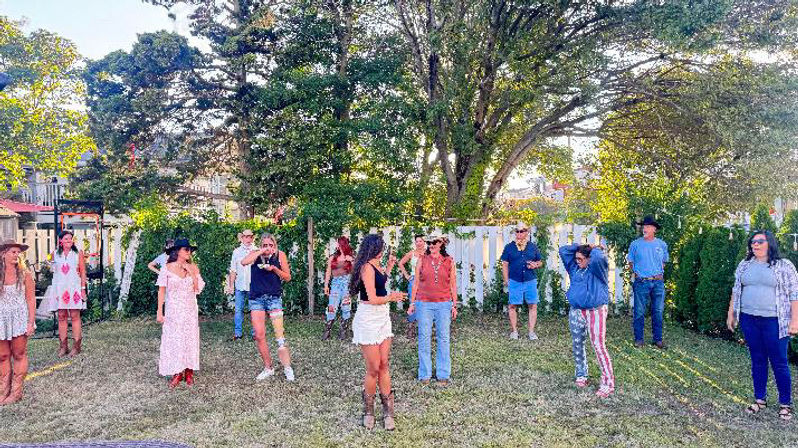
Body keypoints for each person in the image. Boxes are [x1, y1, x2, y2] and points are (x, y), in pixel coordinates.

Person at [727, 230, 798, 420]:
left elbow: (794, 295)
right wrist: (731, 313)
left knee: (779, 362)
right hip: (749, 319)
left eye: (760, 241)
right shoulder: (745, 264)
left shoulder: (784, 266)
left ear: (770, 244)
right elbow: (736, 289)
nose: (755, 245)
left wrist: (795, 320)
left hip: (775, 321)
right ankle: (760, 399)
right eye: (753, 242)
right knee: (757, 359)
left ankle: (785, 404)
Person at [349, 234, 405, 430]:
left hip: (382, 317)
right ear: (374, 248)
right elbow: (372, 297)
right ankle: (369, 410)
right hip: (368, 318)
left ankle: (388, 412)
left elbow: (380, 284)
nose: (383, 250)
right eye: (381, 247)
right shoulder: (366, 267)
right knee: (373, 367)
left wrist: (388, 268)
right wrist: (393, 296)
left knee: (384, 364)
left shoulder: (377, 264)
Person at [559, 242, 615, 398]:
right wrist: (582, 245)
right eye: (576, 258)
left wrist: (595, 249)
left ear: (589, 259)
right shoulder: (574, 269)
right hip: (576, 311)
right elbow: (563, 250)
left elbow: (598, 257)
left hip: (595, 311)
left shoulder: (597, 270)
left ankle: (608, 383)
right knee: (577, 344)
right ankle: (581, 375)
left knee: (598, 345)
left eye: (581, 259)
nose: (578, 261)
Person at [241, 234, 295, 382]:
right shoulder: (254, 254)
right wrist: (260, 252)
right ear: (261, 245)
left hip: (273, 298)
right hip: (256, 299)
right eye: (265, 245)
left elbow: (287, 277)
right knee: (259, 335)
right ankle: (268, 367)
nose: (268, 248)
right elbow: (244, 262)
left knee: (280, 337)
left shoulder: (280, 255)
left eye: (270, 245)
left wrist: (274, 269)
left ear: (275, 246)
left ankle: (287, 368)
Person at [407, 231, 458, 386]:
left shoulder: (449, 261)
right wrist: (412, 303)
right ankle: (425, 374)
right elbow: (415, 283)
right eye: (428, 243)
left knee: (443, 338)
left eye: (433, 243)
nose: (430, 246)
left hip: (444, 304)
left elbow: (453, 284)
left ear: (441, 243)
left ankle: (443, 374)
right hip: (424, 304)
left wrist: (454, 304)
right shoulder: (421, 260)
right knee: (424, 338)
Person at [156, 239, 205, 388]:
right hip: (174, 310)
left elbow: (198, 290)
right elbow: (162, 290)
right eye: (186, 249)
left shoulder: (193, 267)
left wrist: (190, 271)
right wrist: (159, 311)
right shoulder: (167, 268)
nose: (189, 252)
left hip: (190, 308)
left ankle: (189, 370)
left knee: (189, 337)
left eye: (190, 250)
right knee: (175, 339)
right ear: (177, 251)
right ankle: (177, 371)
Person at [0, 240, 36, 405]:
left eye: (18, 252)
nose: (16, 255)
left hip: (19, 317)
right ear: (3, 254)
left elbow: (30, 299)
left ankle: (16, 392)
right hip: (2, 319)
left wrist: (31, 322)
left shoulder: (25, 274)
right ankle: (3, 391)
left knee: (19, 354)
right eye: (12, 252)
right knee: (3, 355)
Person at [627, 215, 669, 349]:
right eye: (643, 226)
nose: (644, 229)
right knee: (639, 312)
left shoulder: (662, 244)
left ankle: (658, 340)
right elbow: (630, 263)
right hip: (641, 283)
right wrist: (637, 274)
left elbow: (664, 262)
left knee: (658, 311)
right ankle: (639, 339)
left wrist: (658, 274)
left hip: (658, 283)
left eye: (647, 227)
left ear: (654, 229)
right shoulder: (635, 244)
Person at [500, 222, 543, 340]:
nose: (519, 233)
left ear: (527, 232)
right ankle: (514, 331)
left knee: (532, 305)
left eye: (522, 231)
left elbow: (540, 262)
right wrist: (506, 280)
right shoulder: (509, 247)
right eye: (517, 231)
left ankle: (531, 332)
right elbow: (504, 264)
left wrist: (535, 265)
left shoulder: (533, 247)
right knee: (512, 305)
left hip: (530, 280)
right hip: (514, 280)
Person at [50, 230, 87, 357]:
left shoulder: (77, 253)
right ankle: (63, 347)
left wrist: (83, 289)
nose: (69, 241)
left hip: (74, 287)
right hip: (60, 288)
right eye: (66, 239)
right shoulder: (55, 254)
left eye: (70, 239)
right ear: (60, 241)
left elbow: (82, 272)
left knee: (75, 315)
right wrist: (50, 264)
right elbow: (53, 271)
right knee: (61, 315)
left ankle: (76, 346)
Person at [322, 236, 354, 340]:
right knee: (331, 307)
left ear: (342, 244)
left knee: (346, 308)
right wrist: (326, 285)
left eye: (338, 243)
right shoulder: (333, 257)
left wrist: (352, 260)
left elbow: (357, 271)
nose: (337, 245)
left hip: (346, 286)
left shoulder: (350, 258)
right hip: (335, 285)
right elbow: (328, 272)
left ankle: (343, 332)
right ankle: (327, 331)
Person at [228, 229, 255, 340]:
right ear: (242, 238)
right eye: (246, 236)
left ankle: (255, 334)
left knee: (254, 310)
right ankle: (238, 333)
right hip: (240, 285)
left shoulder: (256, 250)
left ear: (253, 238)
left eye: (250, 237)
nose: (248, 239)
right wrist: (231, 285)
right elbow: (233, 270)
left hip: (253, 286)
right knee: (238, 310)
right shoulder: (236, 252)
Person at [398, 234, 426, 339]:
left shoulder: (428, 254)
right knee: (412, 302)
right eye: (417, 241)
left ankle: (423, 329)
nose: (418, 243)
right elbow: (400, 263)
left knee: (425, 303)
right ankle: (411, 328)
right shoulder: (412, 253)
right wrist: (406, 275)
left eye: (420, 241)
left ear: (424, 242)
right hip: (414, 280)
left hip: (425, 281)